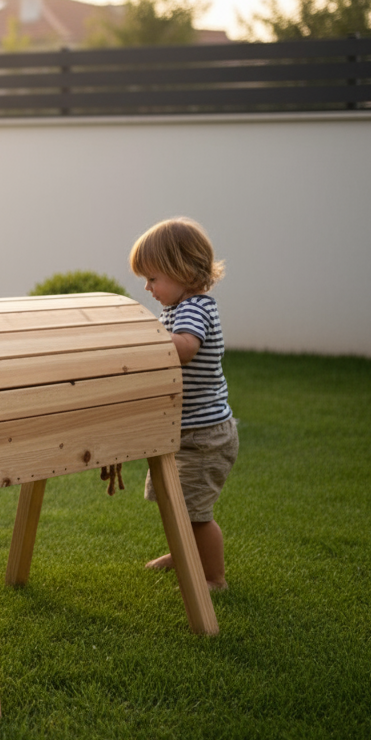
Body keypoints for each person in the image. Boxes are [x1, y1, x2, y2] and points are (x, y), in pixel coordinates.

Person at [129, 217, 238, 590]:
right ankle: (183, 553)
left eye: (153, 278)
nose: (148, 287)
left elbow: (186, 348)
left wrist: (147, 340)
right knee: (173, 501)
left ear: (183, 271)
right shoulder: (176, 309)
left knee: (195, 513)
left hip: (204, 437)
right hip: (183, 431)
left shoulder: (194, 308)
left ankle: (213, 576)